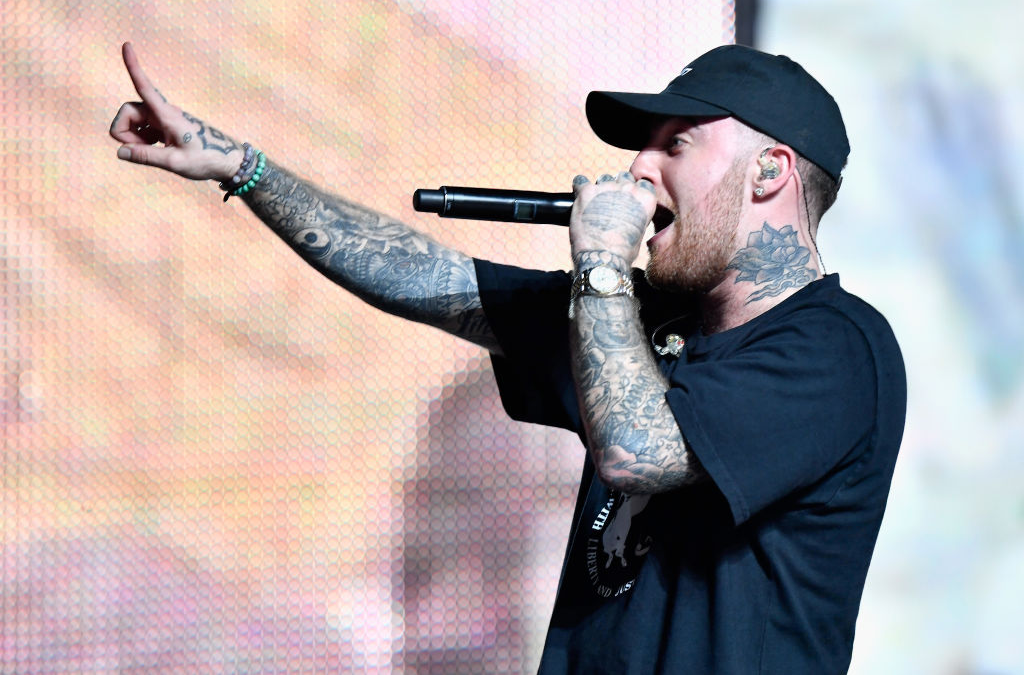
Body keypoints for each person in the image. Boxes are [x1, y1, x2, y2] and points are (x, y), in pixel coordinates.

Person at [110, 41, 906, 674]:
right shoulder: (639, 319)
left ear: (771, 170)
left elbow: (641, 452)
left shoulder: (838, 348)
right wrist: (242, 168)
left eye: (676, 144)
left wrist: (600, 265)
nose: (638, 167)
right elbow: (426, 279)